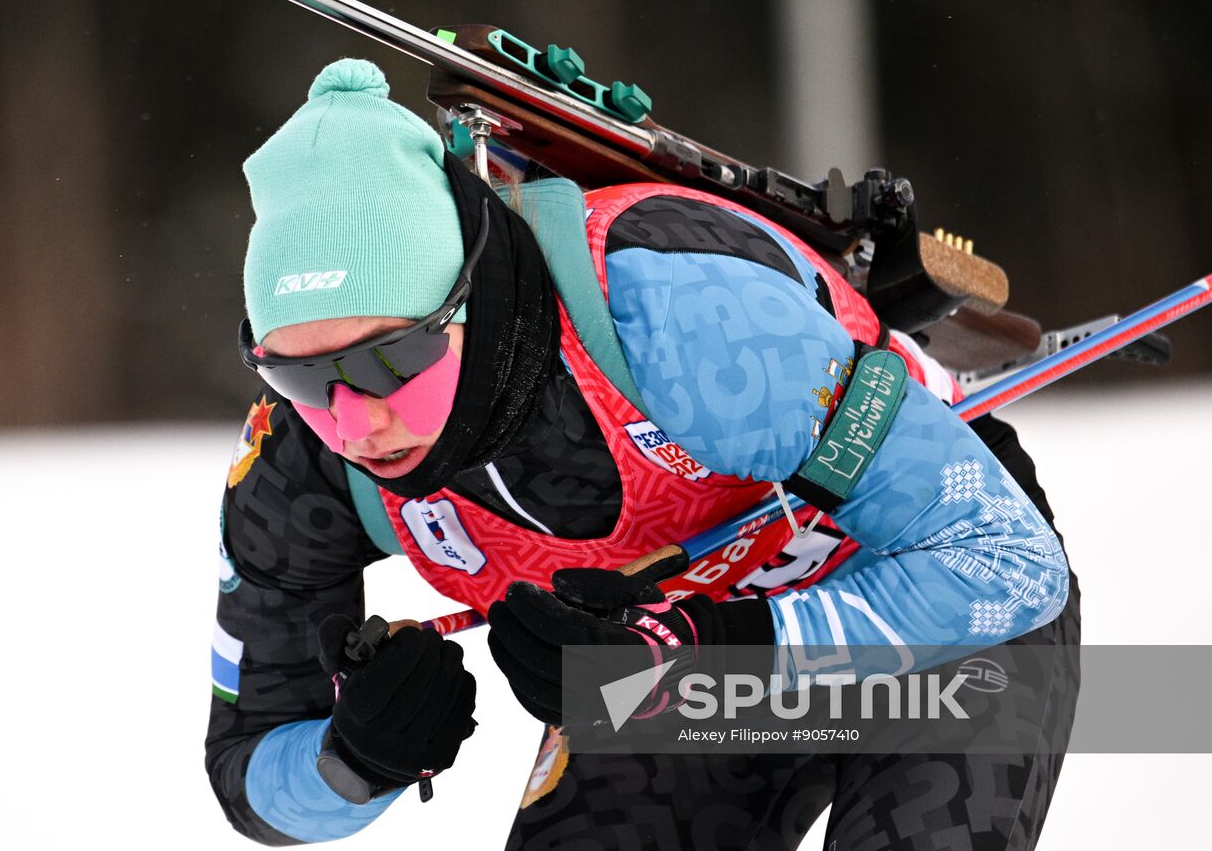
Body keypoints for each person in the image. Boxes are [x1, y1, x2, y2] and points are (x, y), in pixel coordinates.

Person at [205, 58, 1080, 850]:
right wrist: (356, 758)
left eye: (389, 359)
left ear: (472, 297)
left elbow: (1003, 565)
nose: (355, 424)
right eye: (302, 378)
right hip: (664, 671)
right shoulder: (299, 471)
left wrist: (707, 651)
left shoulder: (684, 319)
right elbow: (248, 778)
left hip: (928, 607)